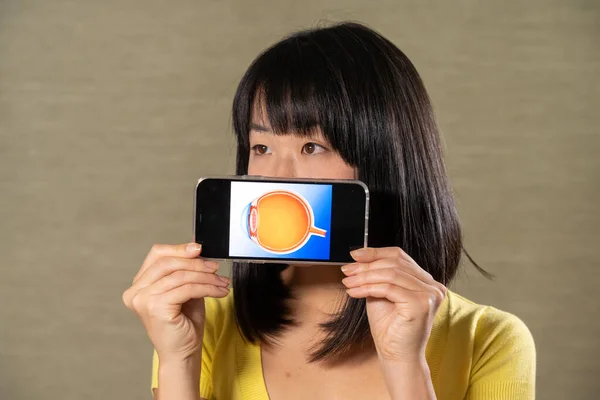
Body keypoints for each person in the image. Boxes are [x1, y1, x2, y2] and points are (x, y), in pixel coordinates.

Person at [122, 22, 536, 400]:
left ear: (384, 159)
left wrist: (405, 365)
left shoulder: (489, 339)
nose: (277, 176)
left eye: (311, 147)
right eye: (261, 147)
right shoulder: (198, 325)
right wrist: (178, 362)